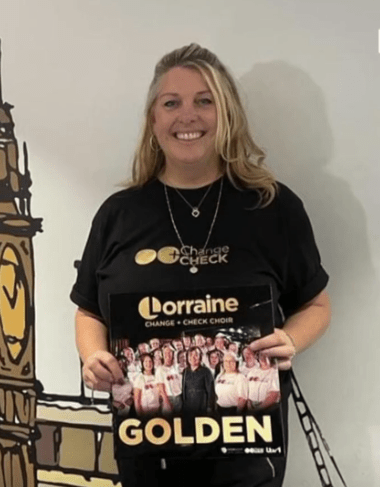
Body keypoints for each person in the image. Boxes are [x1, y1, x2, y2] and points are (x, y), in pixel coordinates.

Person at [72, 43, 330, 487]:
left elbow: (317, 306)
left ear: (226, 114)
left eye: (204, 101)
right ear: (154, 121)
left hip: (246, 458)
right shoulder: (118, 214)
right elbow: (89, 310)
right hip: (148, 454)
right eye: (171, 103)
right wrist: (93, 355)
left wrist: (291, 339)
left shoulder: (273, 207)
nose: (187, 116)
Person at [182, 346, 215, 415]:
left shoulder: (206, 371)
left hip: (202, 406)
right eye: (191, 355)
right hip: (188, 407)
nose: (193, 358)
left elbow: (210, 390)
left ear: (200, 357)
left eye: (196, 355)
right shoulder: (185, 371)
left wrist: (209, 407)